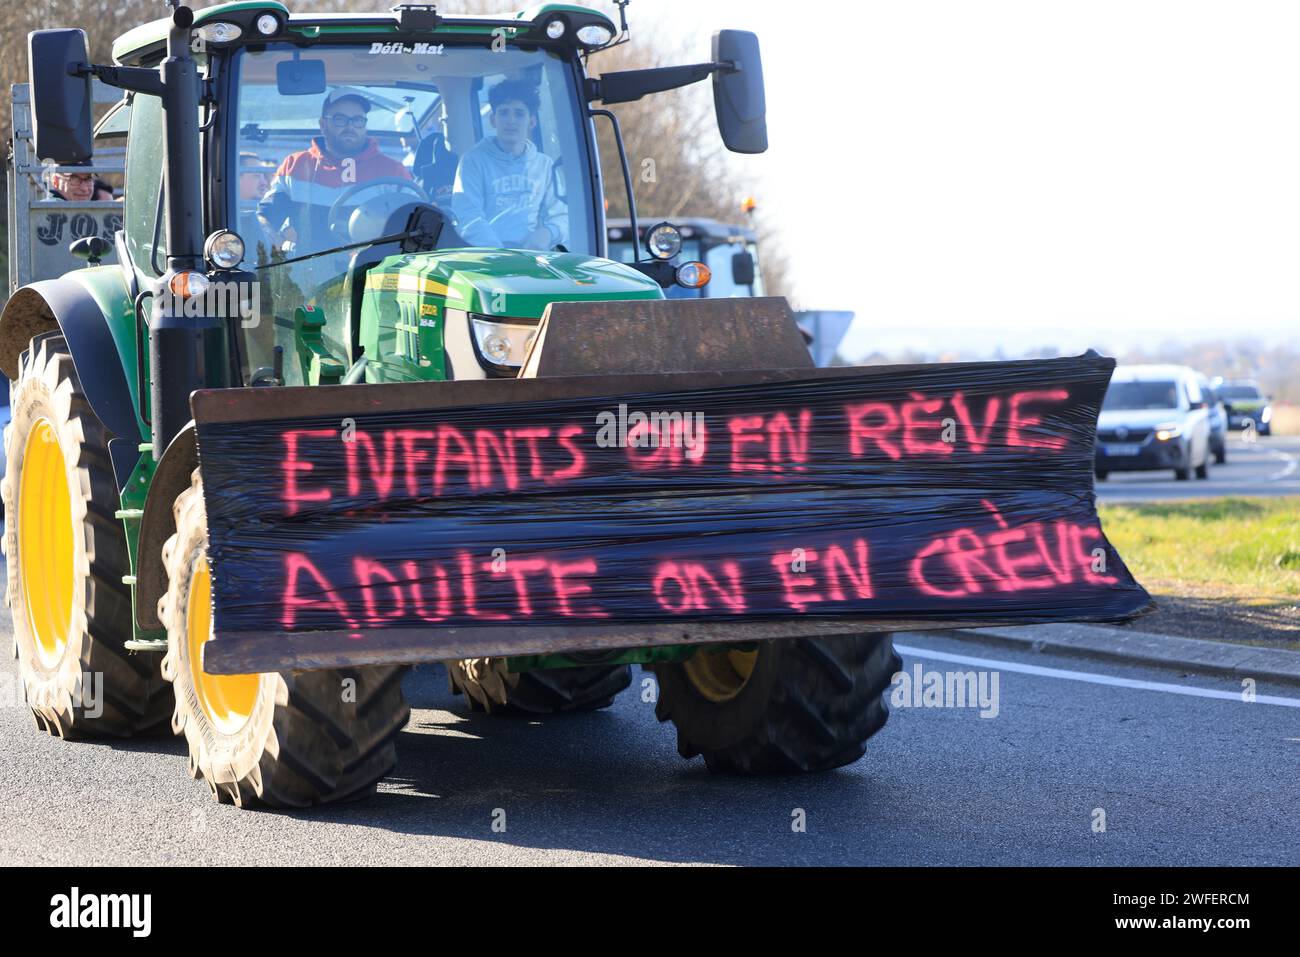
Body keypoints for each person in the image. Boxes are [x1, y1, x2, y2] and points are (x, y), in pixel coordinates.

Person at [258, 87, 412, 253]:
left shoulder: (393, 171)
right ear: (322, 124)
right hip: (308, 271)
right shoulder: (295, 165)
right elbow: (265, 216)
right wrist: (268, 237)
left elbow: (416, 222)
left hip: (373, 271)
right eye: (340, 119)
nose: (350, 127)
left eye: (358, 120)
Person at [452, 80, 567, 250]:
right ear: (493, 120)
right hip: (484, 260)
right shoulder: (473, 161)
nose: (511, 120)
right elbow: (467, 217)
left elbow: (561, 216)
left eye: (519, 114)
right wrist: (500, 254)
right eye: (504, 113)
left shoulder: (545, 165)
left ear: (532, 122)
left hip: (533, 260)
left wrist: (548, 232)